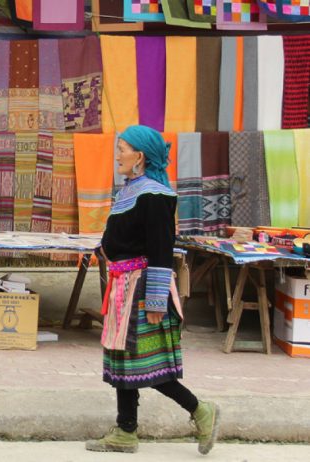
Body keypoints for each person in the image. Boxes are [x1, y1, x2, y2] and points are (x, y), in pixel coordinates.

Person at [86, 125, 220, 454]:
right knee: (123, 359)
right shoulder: (130, 190)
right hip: (123, 286)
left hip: (143, 289)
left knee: (146, 364)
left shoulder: (156, 196)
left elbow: (161, 250)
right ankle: (125, 430)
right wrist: (102, 249)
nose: (118, 155)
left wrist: (157, 300)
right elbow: (121, 237)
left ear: (140, 156)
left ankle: (201, 410)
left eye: (123, 149)